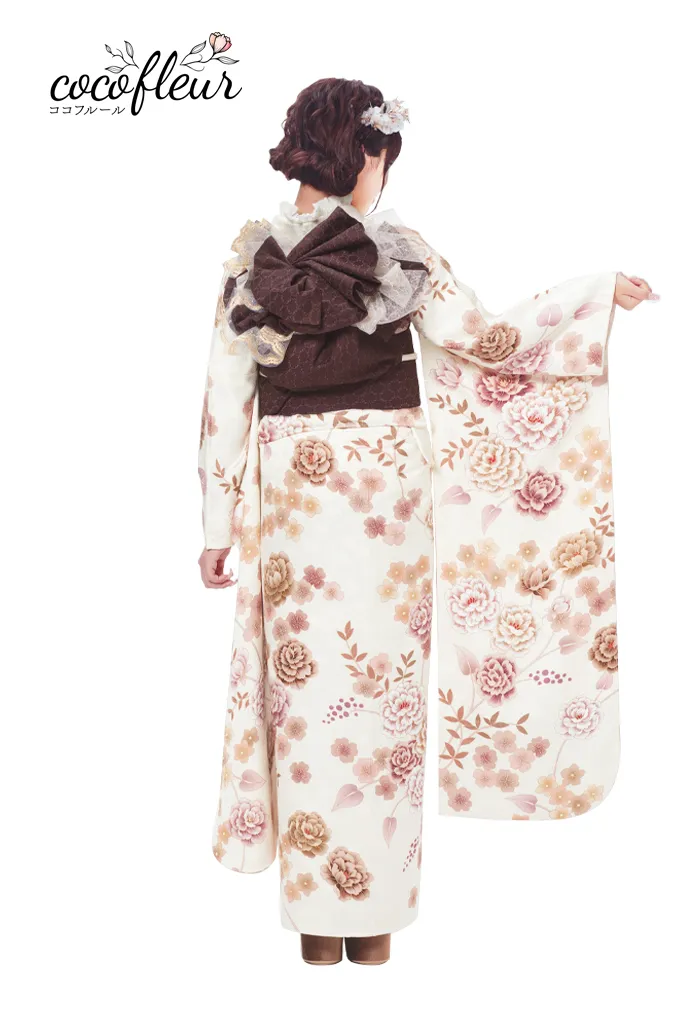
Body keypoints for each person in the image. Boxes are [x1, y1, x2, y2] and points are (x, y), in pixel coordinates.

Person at [197, 77, 656, 965]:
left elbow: (225, 395)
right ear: (365, 153)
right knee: (380, 695)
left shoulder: (249, 258)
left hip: (295, 496)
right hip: (387, 498)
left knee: (305, 696)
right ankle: (372, 928)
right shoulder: (401, 251)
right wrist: (593, 296)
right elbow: (487, 339)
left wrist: (218, 526)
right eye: (382, 159)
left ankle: (316, 929)